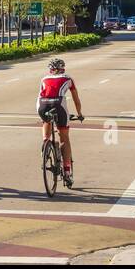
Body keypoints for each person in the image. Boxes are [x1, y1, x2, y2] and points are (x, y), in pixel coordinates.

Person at [37, 57, 83, 187]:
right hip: (59, 105)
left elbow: (40, 96)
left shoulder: (44, 79)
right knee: (64, 138)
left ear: (50, 70)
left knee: (46, 121)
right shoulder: (68, 78)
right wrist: (79, 114)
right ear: (63, 68)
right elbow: (76, 99)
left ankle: (45, 143)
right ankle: (67, 172)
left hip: (42, 105)